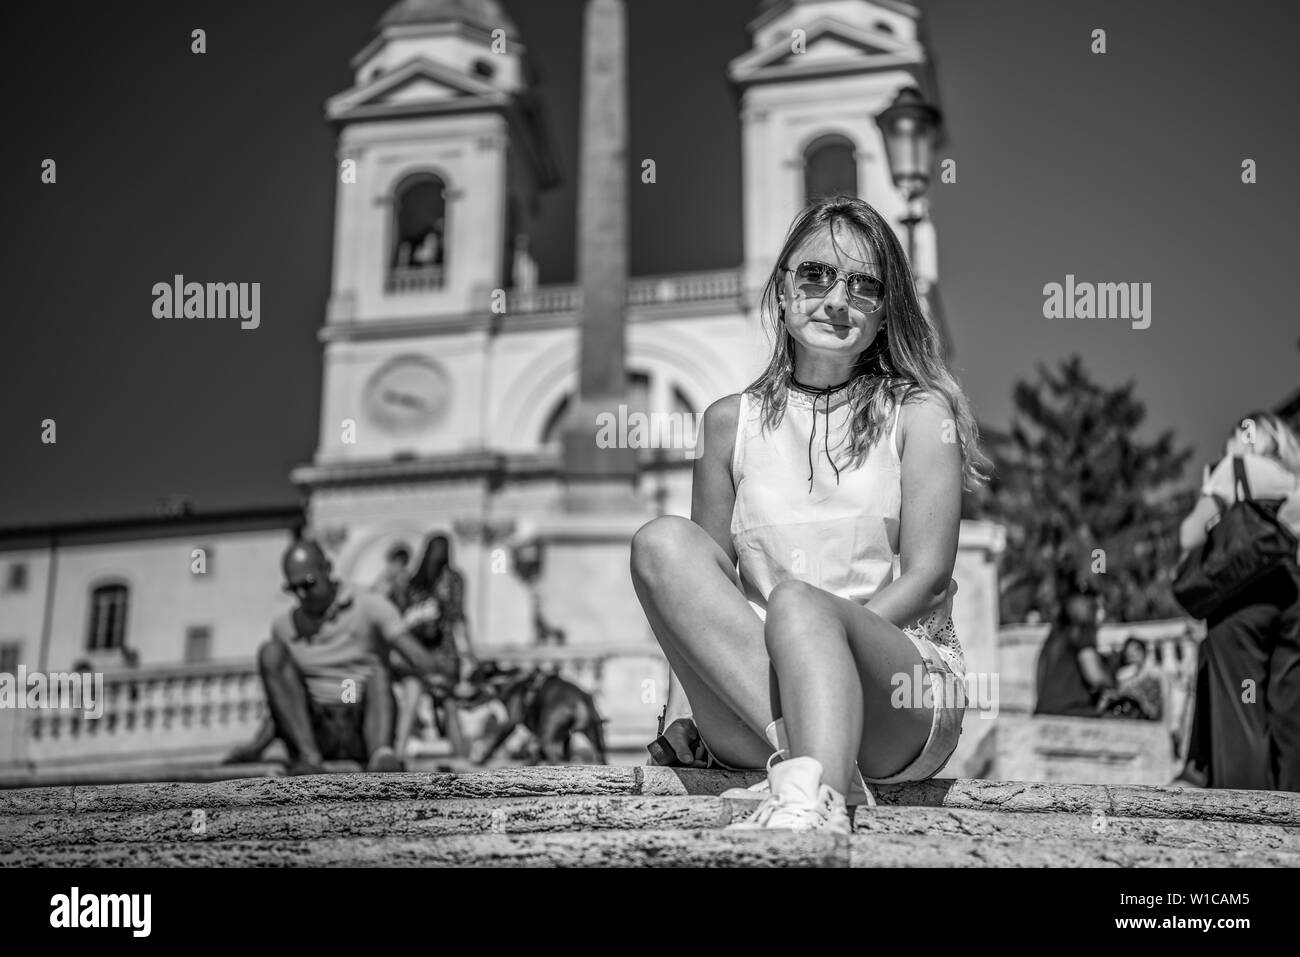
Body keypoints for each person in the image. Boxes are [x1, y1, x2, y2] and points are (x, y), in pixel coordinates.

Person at [630, 195, 988, 834]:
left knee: (799, 603)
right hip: (757, 700)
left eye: (864, 285)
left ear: (885, 313)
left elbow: (930, 577)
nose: (837, 298)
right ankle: (817, 768)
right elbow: (705, 598)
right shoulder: (725, 424)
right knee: (661, 542)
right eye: (816, 274)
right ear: (783, 289)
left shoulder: (921, 415)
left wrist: (816, 648)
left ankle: (815, 792)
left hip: (896, 697)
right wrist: (686, 713)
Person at [234, 538, 438, 775]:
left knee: (377, 673)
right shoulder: (283, 627)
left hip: (361, 719)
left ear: (327, 569)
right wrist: (256, 746)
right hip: (317, 727)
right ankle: (309, 758)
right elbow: (282, 698)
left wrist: (449, 678)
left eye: (308, 584)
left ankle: (381, 755)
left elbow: (419, 658)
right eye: (293, 588)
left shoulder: (371, 606)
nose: (302, 594)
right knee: (270, 653)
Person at [1177, 411, 1300, 791]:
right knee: (1289, 712)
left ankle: (1244, 819)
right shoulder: (1294, 480)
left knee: (1242, 707)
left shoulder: (1237, 467)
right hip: (1294, 598)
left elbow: (1189, 534)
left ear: (1246, 438)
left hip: (1242, 601)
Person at [391, 533, 475, 760]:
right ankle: (460, 759)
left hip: (418, 652)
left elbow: (401, 617)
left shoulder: (414, 583)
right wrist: (470, 652)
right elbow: (459, 617)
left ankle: (398, 754)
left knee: (412, 697)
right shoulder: (454, 578)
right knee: (449, 703)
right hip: (445, 652)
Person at [1033, 583, 1114, 717]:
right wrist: (1114, 684)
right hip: (1071, 711)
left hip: (1045, 712)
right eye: (1098, 607)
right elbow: (1094, 675)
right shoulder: (1082, 631)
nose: (1102, 613)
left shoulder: (1056, 634)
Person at [1097, 636, 1162, 721]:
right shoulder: (1123, 674)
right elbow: (1119, 693)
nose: (1133, 656)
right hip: (1128, 714)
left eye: (1136, 651)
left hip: (1149, 717)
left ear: (1144, 651)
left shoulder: (1156, 674)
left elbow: (1162, 703)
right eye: (1129, 653)